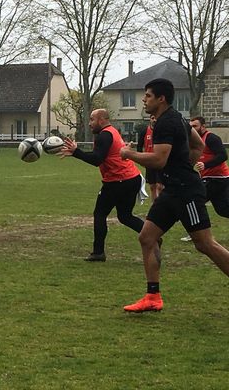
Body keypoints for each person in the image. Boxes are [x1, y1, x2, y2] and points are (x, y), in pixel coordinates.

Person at [120, 78, 229, 312]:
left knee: (205, 244)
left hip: (186, 192)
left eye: (148, 95)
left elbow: (159, 159)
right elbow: (198, 145)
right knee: (147, 238)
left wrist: (129, 154)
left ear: (161, 99)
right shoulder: (178, 117)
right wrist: (184, 165)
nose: (144, 100)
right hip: (173, 190)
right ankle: (153, 297)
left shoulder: (166, 123)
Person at [60, 109, 144, 262]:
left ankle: (98, 252)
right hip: (131, 177)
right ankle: (153, 236)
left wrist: (76, 152)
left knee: (100, 214)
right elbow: (100, 155)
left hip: (118, 180)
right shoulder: (112, 132)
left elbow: (97, 159)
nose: (89, 123)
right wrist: (76, 152)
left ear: (101, 120)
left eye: (92, 119)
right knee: (125, 216)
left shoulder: (104, 135)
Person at [179, 116, 229, 242]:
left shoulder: (211, 138)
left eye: (195, 126)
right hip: (211, 178)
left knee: (195, 201)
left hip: (218, 178)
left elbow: (223, 155)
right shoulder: (193, 141)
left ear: (203, 126)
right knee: (222, 209)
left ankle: (197, 233)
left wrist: (206, 165)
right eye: (191, 126)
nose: (193, 129)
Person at [137, 115, 164, 202]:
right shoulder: (145, 131)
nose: (154, 120)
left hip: (160, 161)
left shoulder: (162, 131)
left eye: (156, 118)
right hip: (149, 161)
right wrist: (141, 159)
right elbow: (139, 146)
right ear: (150, 119)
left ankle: (162, 205)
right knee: (152, 186)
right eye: (152, 118)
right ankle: (154, 205)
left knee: (160, 186)